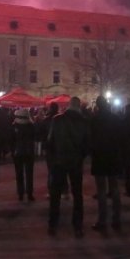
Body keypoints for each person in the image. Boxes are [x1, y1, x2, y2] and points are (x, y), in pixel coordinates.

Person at [47, 96, 90, 238]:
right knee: (77, 194)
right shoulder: (83, 122)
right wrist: (81, 157)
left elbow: (50, 141)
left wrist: (53, 158)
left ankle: (53, 224)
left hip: (58, 161)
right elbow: (86, 145)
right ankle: (77, 226)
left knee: (55, 194)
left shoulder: (57, 120)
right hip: (75, 161)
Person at [90, 96, 123, 232]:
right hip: (113, 156)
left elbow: (90, 138)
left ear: (97, 106)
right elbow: (121, 138)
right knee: (114, 188)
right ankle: (116, 219)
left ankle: (102, 220)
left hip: (99, 156)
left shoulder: (94, 120)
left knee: (101, 190)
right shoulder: (115, 119)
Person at [11, 108, 36, 202]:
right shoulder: (31, 126)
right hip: (29, 152)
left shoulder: (14, 126)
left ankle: (20, 193)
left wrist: (13, 150)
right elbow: (34, 137)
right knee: (29, 174)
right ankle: (29, 194)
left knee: (19, 174)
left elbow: (11, 140)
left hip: (18, 152)